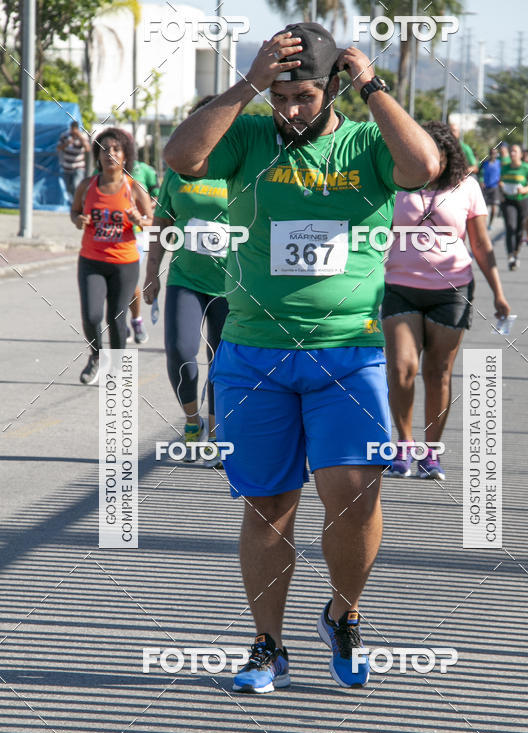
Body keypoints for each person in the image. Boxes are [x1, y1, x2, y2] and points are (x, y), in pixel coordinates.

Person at [163, 21, 440, 692]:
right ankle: (267, 644)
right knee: (268, 506)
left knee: (355, 495)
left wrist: (370, 81)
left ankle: (344, 614)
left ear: (332, 89)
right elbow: (181, 157)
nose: (289, 111)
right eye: (280, 97)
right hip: (255, 354)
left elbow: (425, 166)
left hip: (348, 356)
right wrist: (249, 83)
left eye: (304, 96)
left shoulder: (366, 142)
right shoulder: (251, 136)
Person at [382, 122, 510, 480]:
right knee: (402, 369)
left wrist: (499, 293)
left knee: (438, 374)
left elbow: (481, 244)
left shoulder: (467, 187)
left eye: (429, 153)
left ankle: (431, 454)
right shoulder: (395, 182)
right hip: (399, 286)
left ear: (446, 154)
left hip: (452, 291)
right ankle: (405, 446)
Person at [143, 97, 229, 465]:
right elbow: (161, 222)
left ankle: (219, 430)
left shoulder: (243, 167)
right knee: (180, 351)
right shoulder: (180, 171)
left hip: (233, 284)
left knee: (223, 362)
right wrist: (151, 273)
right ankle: (193, 421)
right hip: (186, 277)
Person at [71, 128, 153, 384]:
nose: (110, 154)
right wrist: (79, 219)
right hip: (91, 260)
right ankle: (96, 357)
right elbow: (74, 212)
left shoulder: (133, 188)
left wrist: (139, 219)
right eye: (105, 149)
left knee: (116, 317)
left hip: (124, 263)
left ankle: (117, 367)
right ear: (98, 156)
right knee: (92, 315)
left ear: (125, 156)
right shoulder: (88, 185)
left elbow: (150, 220)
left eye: (116, 149)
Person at [127, 158, 160, 345]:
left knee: (128, 282)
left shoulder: (144, 171)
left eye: (118, 149)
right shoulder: (99, 177)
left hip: (135, 237)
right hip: (105, 242)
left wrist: (143, 211)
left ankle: (136, 321)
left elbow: (157, 197)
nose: (111, 155)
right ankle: (117, 323)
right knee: (109, 287)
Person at [499, 144, 528, 270]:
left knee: (520, 230)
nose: (512, 153)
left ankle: (516, 253)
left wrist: (524, 189)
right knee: (511, 226)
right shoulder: (505, 167)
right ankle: (510, 256)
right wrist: (502, 185)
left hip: (522, 201)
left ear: (520, 154)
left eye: (515, 151)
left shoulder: (526, 168)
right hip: (508, 201)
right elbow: (500, 180)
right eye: (511, 151)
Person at [57, 121, 90, 200]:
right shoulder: (65, 136)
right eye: (72, 129)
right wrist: (66, 144)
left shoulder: (83, 136)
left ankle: (78, 202)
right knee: (68, 188)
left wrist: (80, 138)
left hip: (78, 166)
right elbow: (58, 148)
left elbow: (88, 148)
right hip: (67, 166)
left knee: (76, 185)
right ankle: (73, 202)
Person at [479, 146, 502, 228]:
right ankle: (482, 225)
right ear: (489, 154)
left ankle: (490, 224)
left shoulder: (499, 163)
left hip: (495, 187)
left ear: (497, 154)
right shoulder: (484, 163)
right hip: (485, 188)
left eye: (495, 153)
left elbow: (503, 173)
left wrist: (501, 181)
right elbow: (479, 173)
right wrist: (481, 181)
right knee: (483, 209)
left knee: (493, 209)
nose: (493, 155)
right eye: (492, 153)